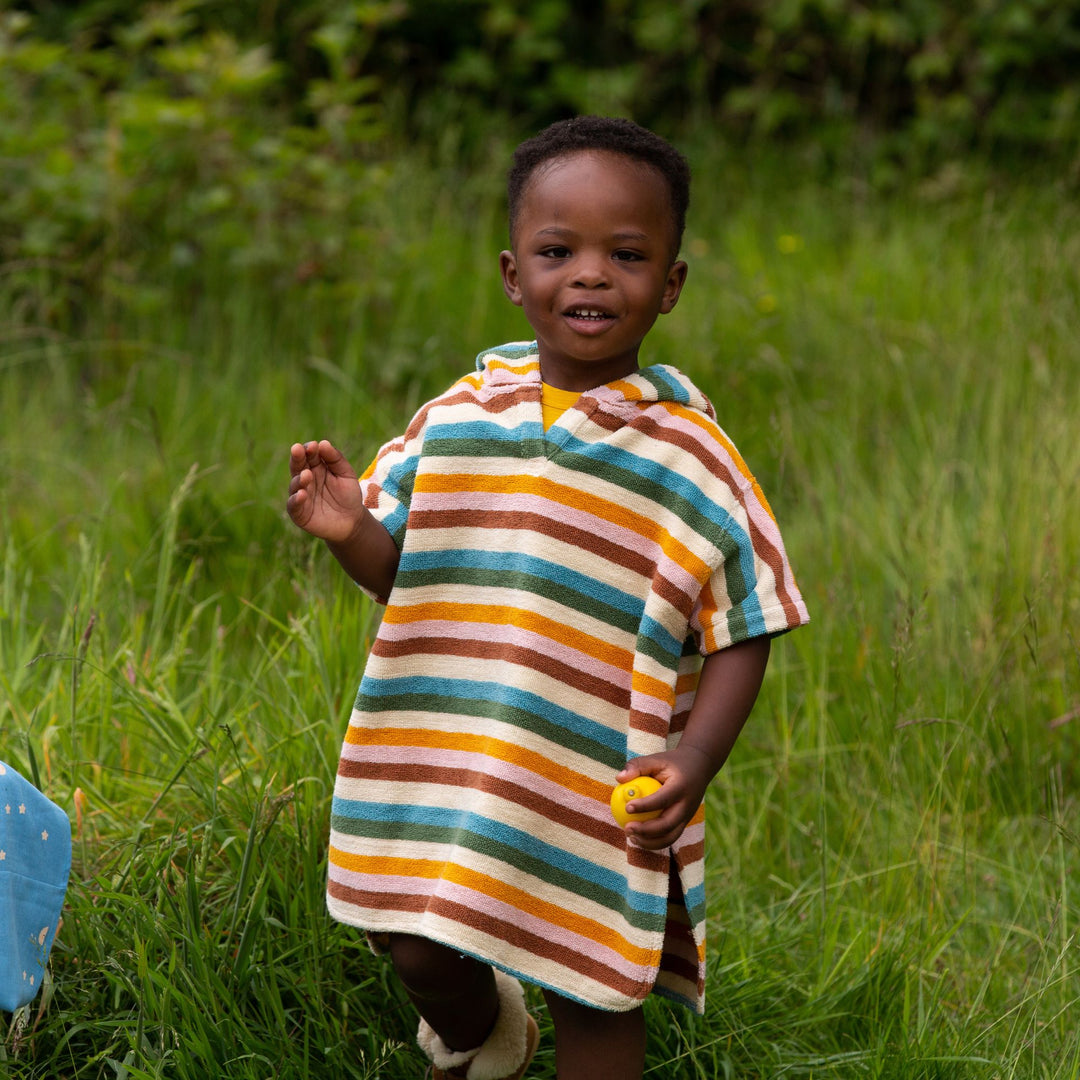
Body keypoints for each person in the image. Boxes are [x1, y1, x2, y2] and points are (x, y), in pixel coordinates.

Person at [287, 115, 809, 1080]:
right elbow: (406, 570)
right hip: (448, 745)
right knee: (412, 940)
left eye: (628, 253)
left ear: (672, 284)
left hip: (594, 777)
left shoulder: (691, 461)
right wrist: (351, 529)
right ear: (513, 273)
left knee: (592, 984)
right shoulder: (456, 420)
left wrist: (693, 758)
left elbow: (747, 623)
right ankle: (487, 1032)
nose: (592, 274)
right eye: (559, 250)